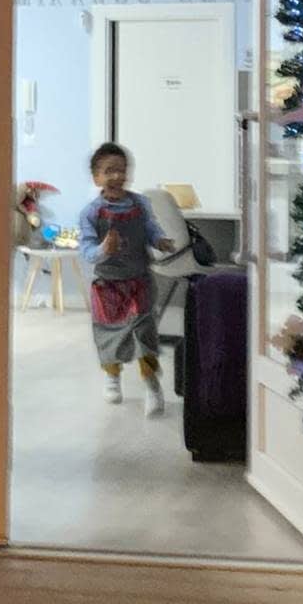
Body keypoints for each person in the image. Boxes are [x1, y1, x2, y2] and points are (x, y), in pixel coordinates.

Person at [78, 142, 175, 417]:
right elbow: (86, 251)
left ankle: (152, 384)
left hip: (139, 281)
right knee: (109, 334)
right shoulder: (90, 213)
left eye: (121, 170)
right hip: (107, 286)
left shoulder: (140, 204)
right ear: (96, 177)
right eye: (109, 171)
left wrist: (160, 241)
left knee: (145, 333)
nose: (117, 176)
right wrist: (103, 250)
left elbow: (151, 229)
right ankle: (112, 376)